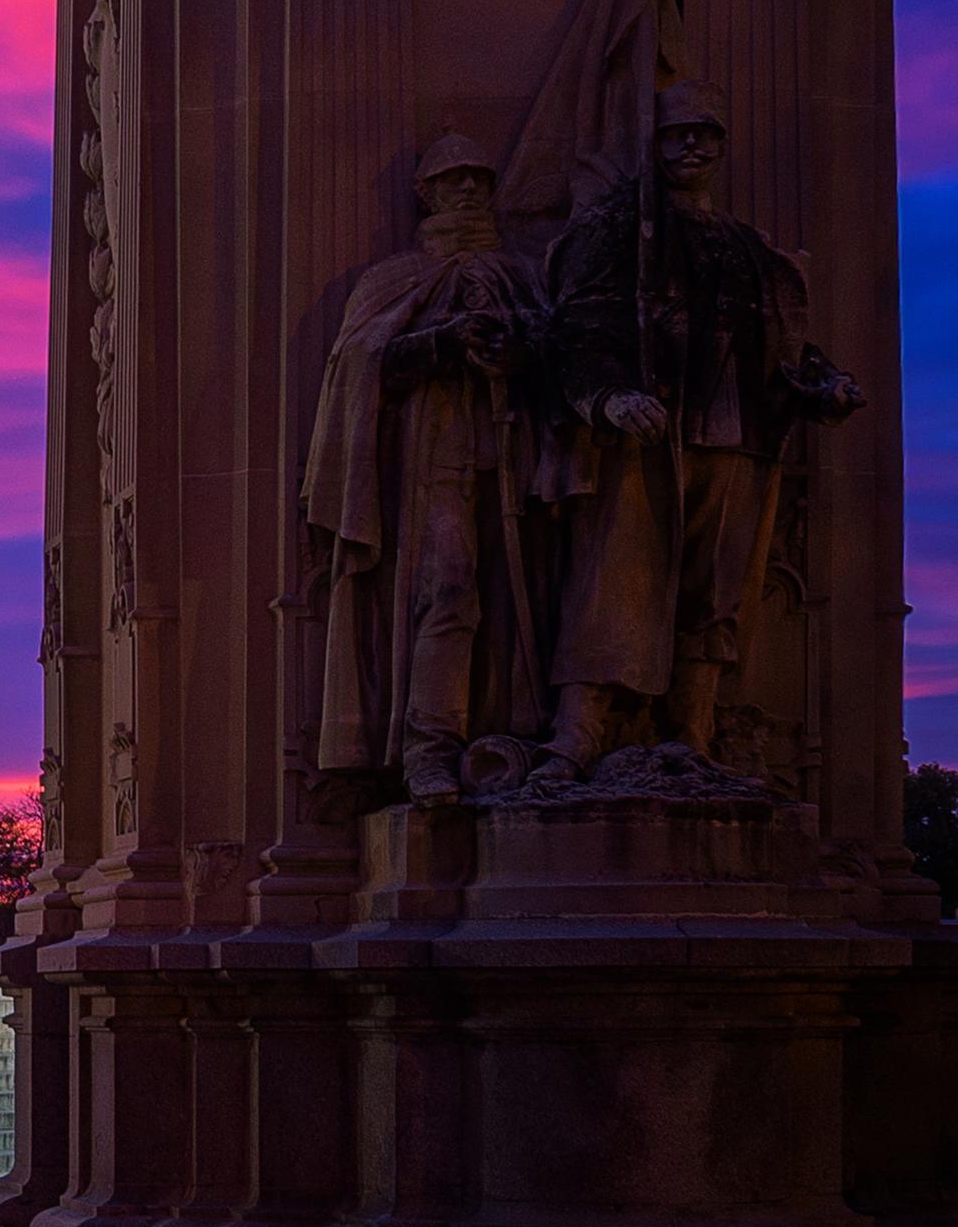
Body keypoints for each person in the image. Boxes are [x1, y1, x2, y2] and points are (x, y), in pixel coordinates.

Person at [534, 81, 864, 774]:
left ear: (720, 146)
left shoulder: (747, 245)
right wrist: (605, 397)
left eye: (705, 133)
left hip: (736, 436)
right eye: (677, 133)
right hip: (646, 434)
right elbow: (577, 323)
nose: (692, 145)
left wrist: (824, 386)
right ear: (652, 145)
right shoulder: (620, 227)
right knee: (613, 583)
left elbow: (783, 344)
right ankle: (579, 731)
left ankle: (691, 731)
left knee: (716, 591)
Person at [302, 135, 547, 802]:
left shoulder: (523, 274)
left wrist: (516, 346)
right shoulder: (392, 279)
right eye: (451, 179)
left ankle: (517, 742)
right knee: (449, 589)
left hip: (519, 457)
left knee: (519, 597)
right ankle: (428, 748)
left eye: (477, 178)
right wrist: (442, 343)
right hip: (432, 459)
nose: (467, 189)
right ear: (425, 192)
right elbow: (358, 366)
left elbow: (563, 346)